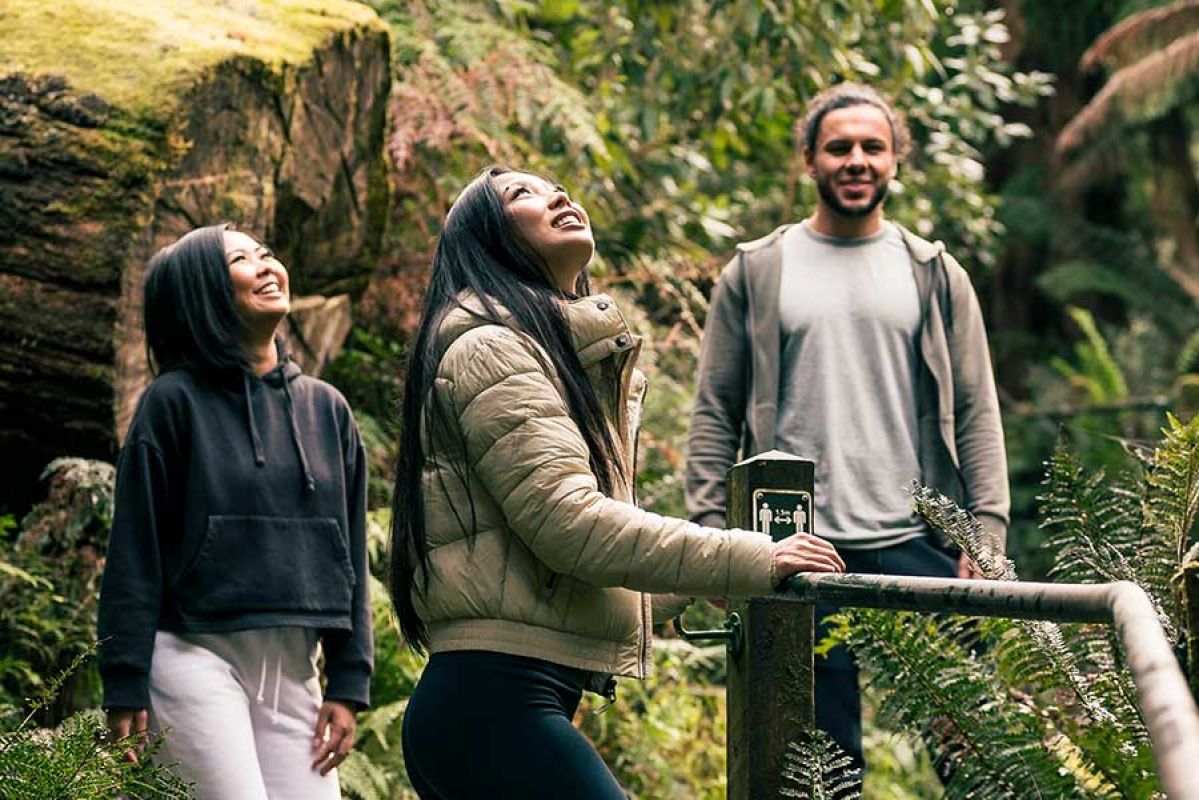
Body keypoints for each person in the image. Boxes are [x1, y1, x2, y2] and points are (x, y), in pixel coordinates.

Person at [390, 166, 846, 799]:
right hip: (492, 705)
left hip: (500, 706)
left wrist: (699, 585)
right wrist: (750, 557)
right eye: (522, 194)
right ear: (487, 240)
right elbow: (572, 526)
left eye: (556, 187)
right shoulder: (491, 351)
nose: (557, 196)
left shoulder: (545, 354)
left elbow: (559, 570)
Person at [685, 83, 1010, 776]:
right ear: (808, 160)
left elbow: (978, 410)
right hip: (798, 548)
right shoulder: (757, 270)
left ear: (895, 160)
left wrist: (983, 536)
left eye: (872, 147)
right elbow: (714, 412)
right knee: (818, 768)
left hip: (921, 542)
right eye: (838, 147)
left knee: (975, 755)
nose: (855, 160)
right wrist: (715, 539)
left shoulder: (932, 273)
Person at [97, 224, 373, 798]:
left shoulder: (328, 410)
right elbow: (134, 553)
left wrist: (349, 681)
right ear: (203, 294)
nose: (267, 265)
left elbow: (348, 556)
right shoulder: (170, 404)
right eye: (242, 260)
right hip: (191, 650)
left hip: (295, 665)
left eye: (268, 252)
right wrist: (123, 678)